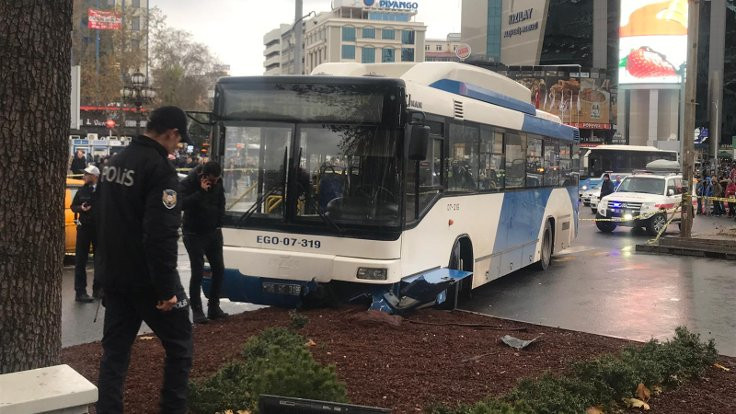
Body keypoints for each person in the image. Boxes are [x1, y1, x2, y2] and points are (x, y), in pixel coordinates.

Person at [95, 106, 193, 414]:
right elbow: (160, 235)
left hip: (116, 279)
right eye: (179, 141)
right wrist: (166, 289)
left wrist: (104, 277)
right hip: (149, 283)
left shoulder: (115, 162)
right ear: (171, 133)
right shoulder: (160, 170)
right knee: (180, 347)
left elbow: (103, 222)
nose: (178, 147)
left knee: (114, 355)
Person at [180, 161, 228, 324]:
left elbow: (221, 202)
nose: (214, 183)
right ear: (204, 176)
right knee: (197, 271)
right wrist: (200, 192)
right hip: (193, 233)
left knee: (219, 269)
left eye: (217, 180)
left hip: (213, 231)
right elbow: (180, 203)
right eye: (212, 180)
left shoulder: (218, 182)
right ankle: (197, 310)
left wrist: (219, 222)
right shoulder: (189, 182)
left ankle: (214, 306)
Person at [71, 165, 100, 303]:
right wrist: (80, 208)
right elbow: (73, 206)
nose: (84, 177)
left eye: (87, 174)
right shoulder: (82, 190)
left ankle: (98, 289)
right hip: (84, 229)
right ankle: (80, 292)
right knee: (80, 260)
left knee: (100, 260)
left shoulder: (103, 191)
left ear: (95, 177)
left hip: (99, 229)